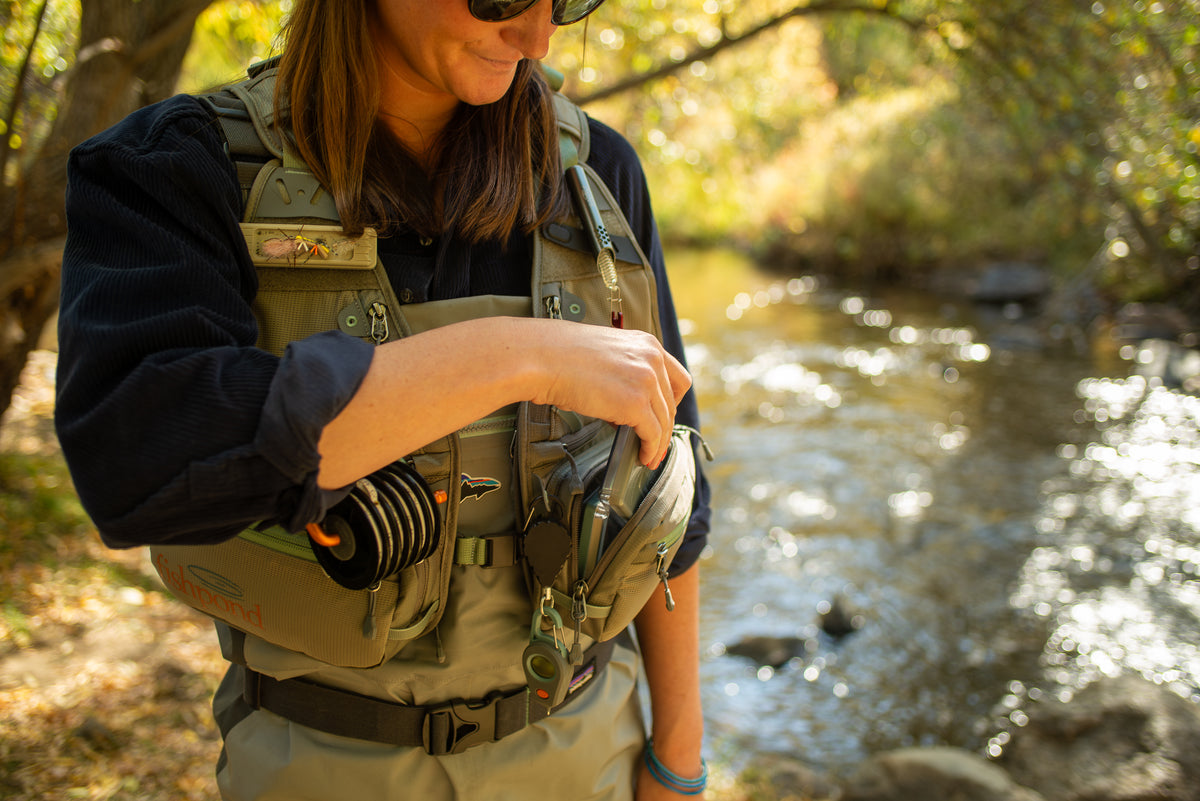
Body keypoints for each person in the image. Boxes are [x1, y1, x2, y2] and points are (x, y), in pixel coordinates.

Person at [54, 0, 711, 798]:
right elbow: (136, 464)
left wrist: (678, 760)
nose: (537, 38)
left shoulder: (601, 172)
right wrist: (521, 357)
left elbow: (674, 498)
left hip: (589, 752)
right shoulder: (176, 168)